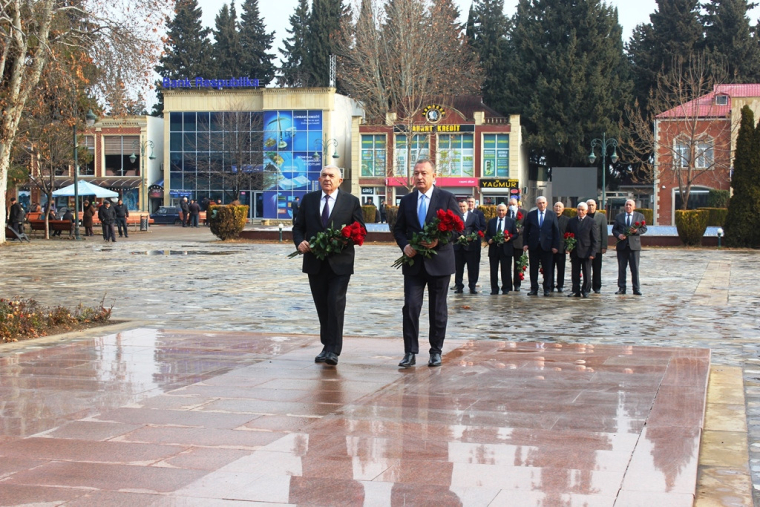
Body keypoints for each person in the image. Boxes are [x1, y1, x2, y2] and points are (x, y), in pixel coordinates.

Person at [293, 165, 364, 366]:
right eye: (324, 175)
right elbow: (298, 227)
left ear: (340, 181)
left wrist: (344, 240)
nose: (327, 179)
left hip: (340, 263)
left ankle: (334, 349)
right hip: (315, 262)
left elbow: (361, 230)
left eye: (331, 176)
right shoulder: (309, 200)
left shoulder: (351, 202)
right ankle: (326, 345)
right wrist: (300, 243)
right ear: (319, 179)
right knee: (322, 305)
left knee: (335, 302)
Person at [393, 159, 461, 368]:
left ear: (433, 176)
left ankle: (436, 351)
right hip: (414, 263)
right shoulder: (407, 200)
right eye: (416, 173)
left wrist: (438, 240)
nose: (420, 177)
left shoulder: (447, 198)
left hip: (439, 263)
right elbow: (398, 229)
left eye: (424, 173)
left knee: (437, 309)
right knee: (411, 307)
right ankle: (410, 352)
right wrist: (405, 246)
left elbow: (458, 229)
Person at [522, 196, 560, 296]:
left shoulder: (552, 215)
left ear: (546, 203)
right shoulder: (531, 215)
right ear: (536, 204)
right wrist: (525, 243)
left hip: (547, 246)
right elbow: (526, 231)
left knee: (547, 268)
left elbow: (556, 232)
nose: (542, 205)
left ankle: (547, 288)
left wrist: (555, 245)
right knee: (533, 269)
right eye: (539, 203)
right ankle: (534, 288)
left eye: (543, 203)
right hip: (534, 245)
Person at [612, 199, 648, 295]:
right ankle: (621, 288)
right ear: (624, 206)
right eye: (627, 205)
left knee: (635, 268)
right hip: (622, 246)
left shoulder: (639, 216)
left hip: (634, 246)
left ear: (634, 207)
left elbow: (644, 229)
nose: (628, 206)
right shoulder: (619, 217)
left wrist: (636, 231)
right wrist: (618, 235)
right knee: (622, 268)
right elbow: (614, 229)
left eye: (630, 205)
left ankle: (636, 289)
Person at [565, 202, 599, 298]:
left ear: (586, 211)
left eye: (582, 210)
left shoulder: (591, 222)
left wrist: (593, 252)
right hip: (575, 251)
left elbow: (595, 239)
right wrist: (568, 246)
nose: (580, 212)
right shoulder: (571, 221)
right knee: (575, 272)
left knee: (586, 273)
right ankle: (575, 290)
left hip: (586, 251)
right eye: (579, 210)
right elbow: (567, 235)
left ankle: (586, 290)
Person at [485, 203, 519, 295]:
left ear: (506, 211)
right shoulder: (491, 221)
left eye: (503, 210)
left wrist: (509, 238)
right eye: (499, 210)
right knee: (493, 271)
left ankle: (506, 288)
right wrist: (489, 240)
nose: (501, 212)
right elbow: (487, 234)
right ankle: (494, 289)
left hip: (506, 249)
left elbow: (516, 234)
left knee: (506, 270)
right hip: (494, 249)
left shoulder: (511, 221)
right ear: (496, 211)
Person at [453, 200, 485, 294]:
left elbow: (477, 229)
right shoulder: (456, 217)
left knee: (472, 268)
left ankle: (472, 286)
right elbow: (452, 229)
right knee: (459, 268)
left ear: (467, 206)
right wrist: (456, 236)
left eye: (464, 206)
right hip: (459, 246)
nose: (462, 208)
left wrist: (472, 237)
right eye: (460, 206)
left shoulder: (474, 216)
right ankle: (459, 286)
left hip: (471, 246)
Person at [586, 199, 608, 293]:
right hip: (586, 246)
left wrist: (604, 246)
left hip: (597, 246)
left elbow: (604, 231)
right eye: (589, 205)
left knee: (597, 268)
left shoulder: (601, 216)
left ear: (596, 206)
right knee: (586, 268)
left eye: (592, 205)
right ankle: (587, 286)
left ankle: (597, 286)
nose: (591, 207)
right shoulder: (583, 215)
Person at [507, 197, 528, 291]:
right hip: (507, 242)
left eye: (513, 204)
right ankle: (507, 284)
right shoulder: (505, 212)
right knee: (507, 265)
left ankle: (517, 284)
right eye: (510, 204)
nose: (512, 206)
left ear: (517, 205)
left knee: (517, 264)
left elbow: (527, 226)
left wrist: (520, 230)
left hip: (519, 242)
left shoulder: (524, 213)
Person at [552, 202, 570, 293]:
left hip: (562, 248)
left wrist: (568, 247)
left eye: (560, 207)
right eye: (556, 206)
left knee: (561, 268)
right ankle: (549, 284)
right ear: (553, 208)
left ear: (563, 209)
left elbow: (569, 234)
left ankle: (560, 285)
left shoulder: (567, 220)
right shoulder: (549, 217)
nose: (558, 208)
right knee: (549, 268)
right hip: (550, 248)